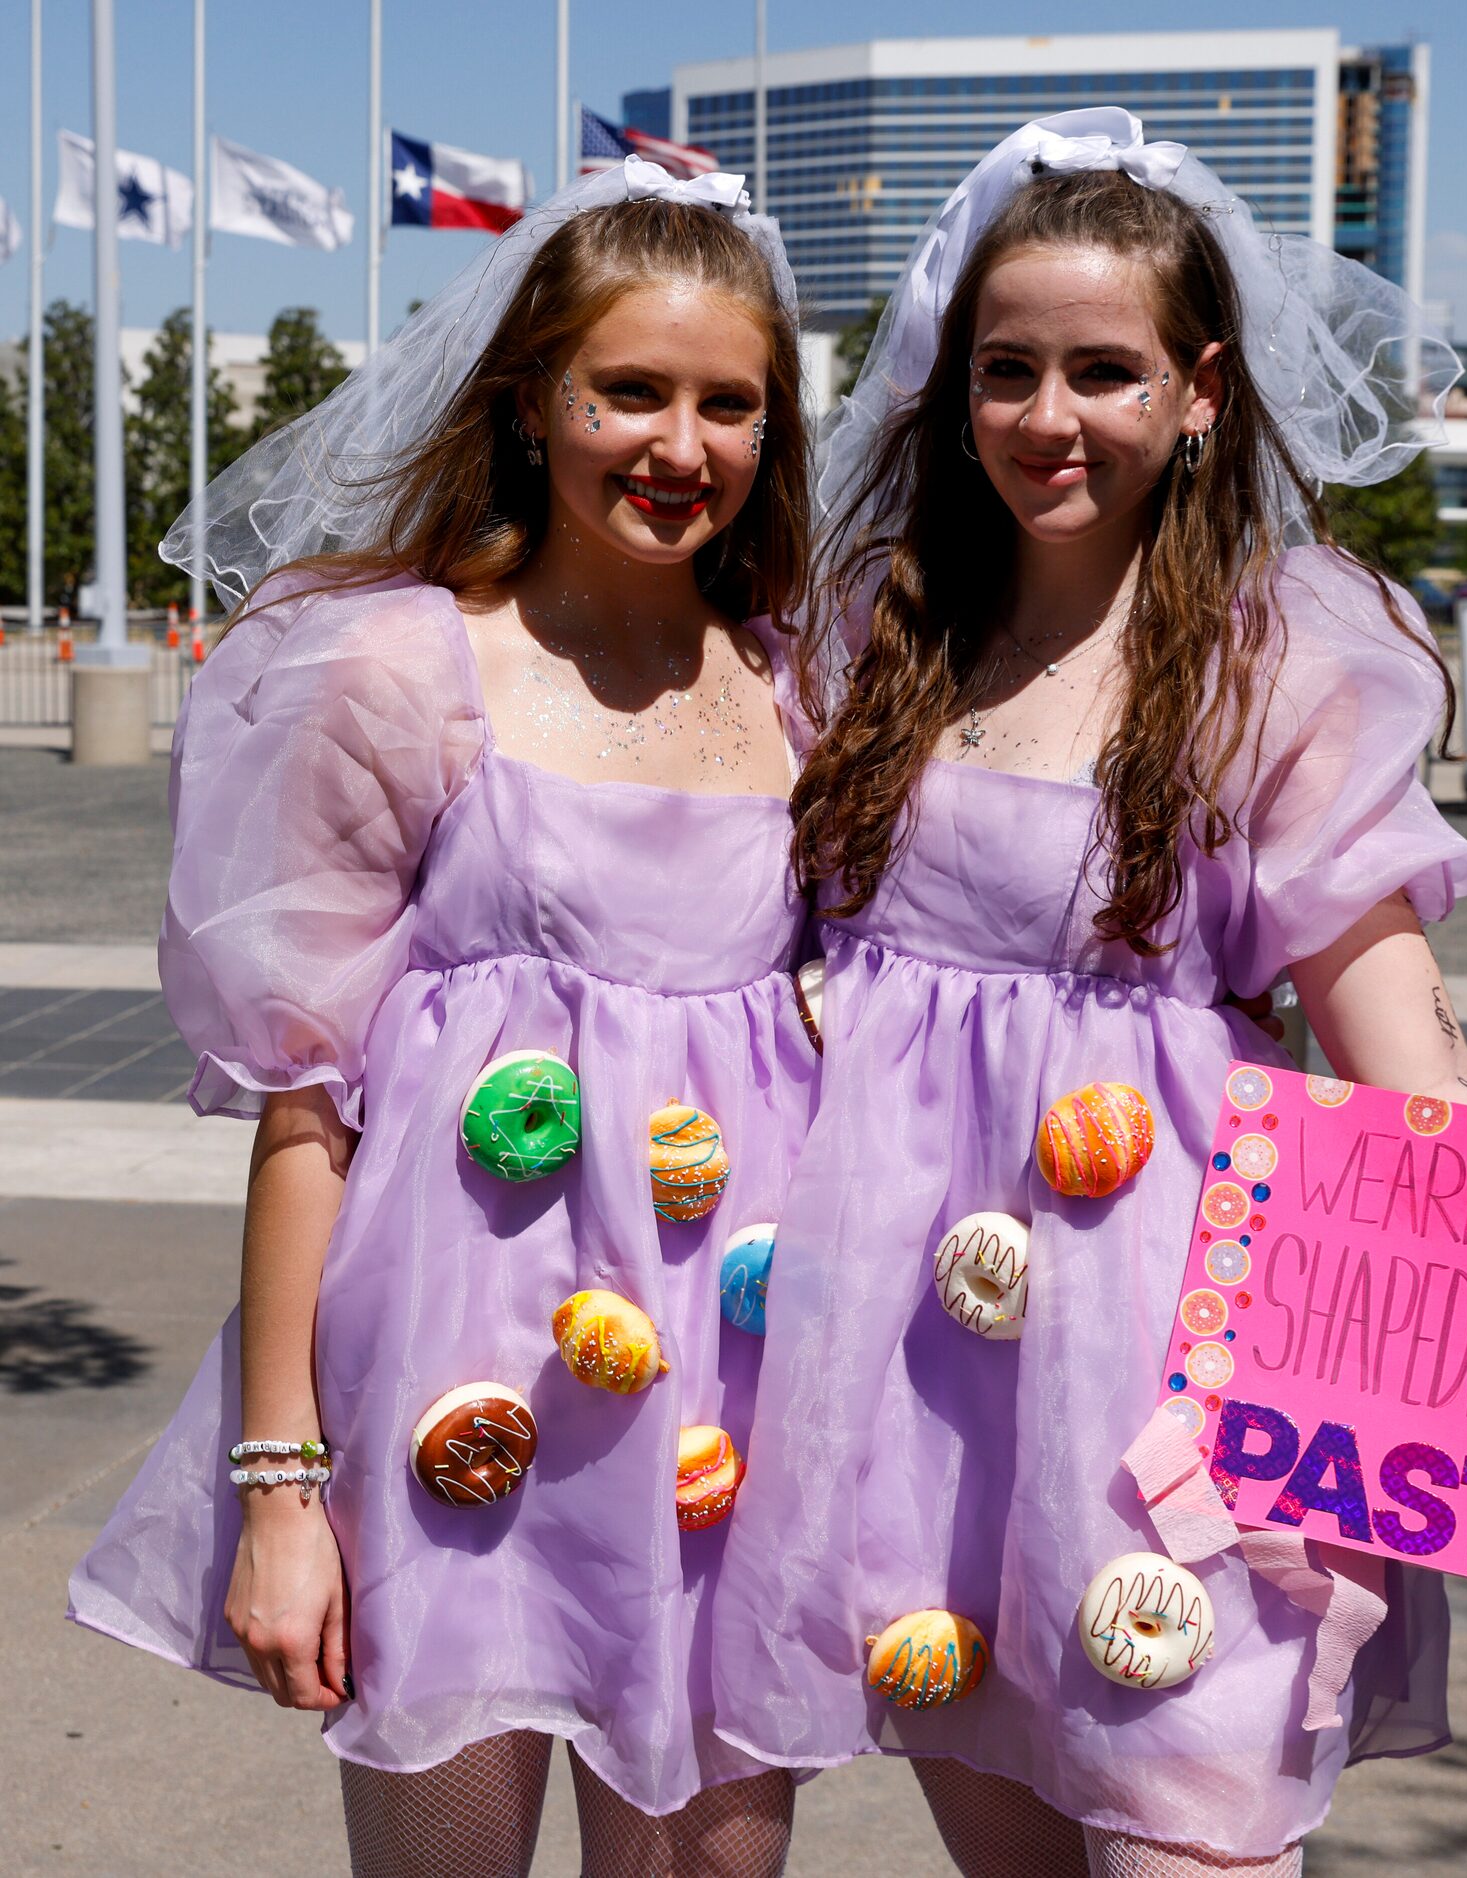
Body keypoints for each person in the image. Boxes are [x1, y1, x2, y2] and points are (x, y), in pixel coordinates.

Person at [712, 110, 1467, 1874]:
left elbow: (1409, 1056)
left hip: (1171, 1373)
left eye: (1103, 370)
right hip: (909, 1382)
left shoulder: (1279, 655)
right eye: (1006, 370)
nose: (1047, 417)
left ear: (1200, 385)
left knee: (1190, 1832)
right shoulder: (873, 636)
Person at [68, 159, 814, 1877]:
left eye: (728, 404)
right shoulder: (397, 667)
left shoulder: (808, 683)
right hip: (446, 1400)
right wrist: (278, 1489)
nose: (677, 444)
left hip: (728, 1402)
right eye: (628, 389)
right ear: (532, 398)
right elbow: (299, 1100)